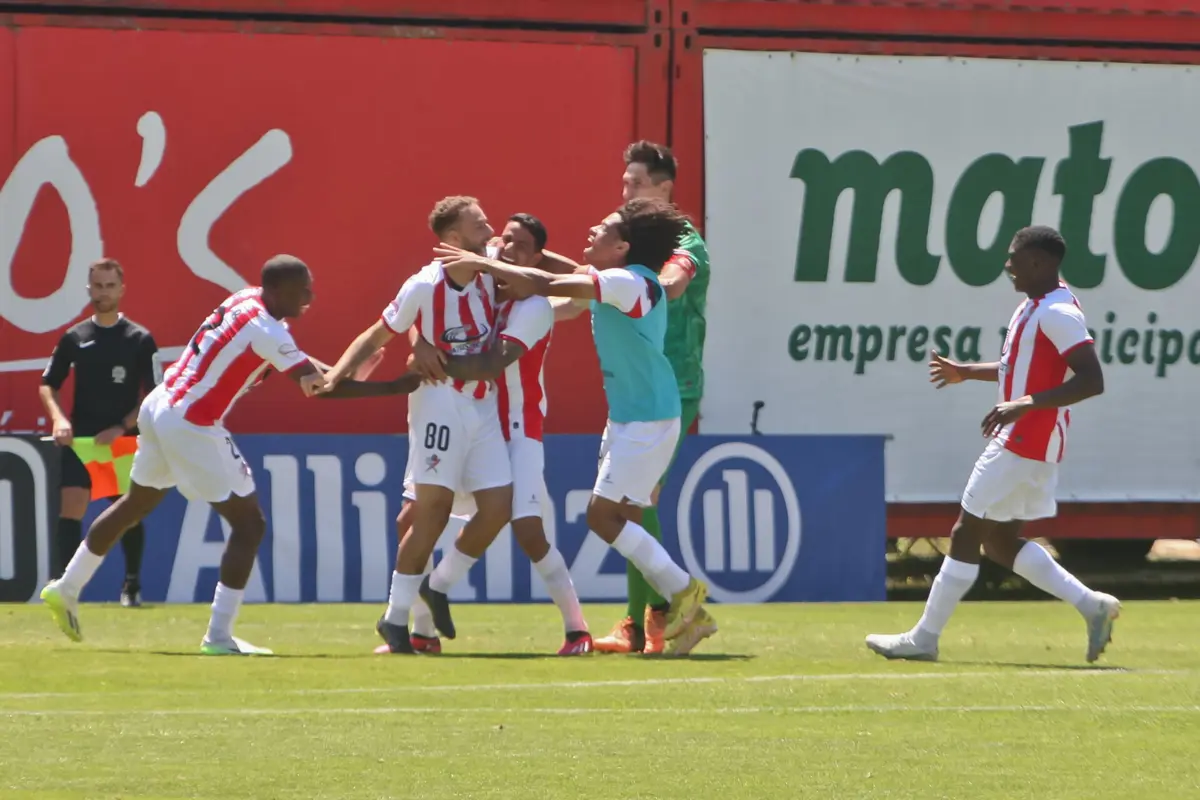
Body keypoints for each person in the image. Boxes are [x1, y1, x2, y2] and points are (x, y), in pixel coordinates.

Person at [40, 255, 422, 655]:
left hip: (159, 407)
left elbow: (287, 361)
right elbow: (313, 385)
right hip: (192, 422)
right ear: (275, 292)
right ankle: (218, 636)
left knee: (135, 504)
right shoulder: (267, 329)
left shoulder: (246, 301)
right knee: (249, 525)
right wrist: (397, 386)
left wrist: (340, 371)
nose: (309, 296)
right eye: (300, 290)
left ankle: (65, 587)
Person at [435, 197, 717, 656]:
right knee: (621, 516)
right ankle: (686, 610)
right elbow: (562, 272)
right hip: (632, 416)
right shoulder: (621, 277)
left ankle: (686, 594)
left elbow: (547, 280)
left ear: (623, 246)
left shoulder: (628, 282)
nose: (591, 229)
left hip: (648, 418)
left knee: (601, 517)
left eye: (602, 229)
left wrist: (475, 260)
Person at [865, 226, 1121, 663]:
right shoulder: (1035, 305)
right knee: (1000, 542)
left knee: (966, 531)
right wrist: (966, 371)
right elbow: (1015, 366)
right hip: (1032, 440)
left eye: (1014, 259)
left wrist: (1024, 403)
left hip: (1025, 438)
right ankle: (1091, 604)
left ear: (1039, 263)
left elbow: (1092, 380)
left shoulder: (1057, 312)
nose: (1008, 266)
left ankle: (924, 638)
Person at [318, 197, 515, 655]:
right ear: (452, 240)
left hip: (482, 404)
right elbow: (378, 332)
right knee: (431, 510)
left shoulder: (489, 264)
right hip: (440, 401)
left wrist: (422, 338)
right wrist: (336, 375)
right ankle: (396, 620)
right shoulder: (425, 285)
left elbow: (533, 263)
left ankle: (439, 585)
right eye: (477, 222)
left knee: (498, 506)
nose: (489, 226)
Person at [391, 213, 591, 656]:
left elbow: (581, 292)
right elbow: (422, 305)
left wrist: (528, 266)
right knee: (415, 518)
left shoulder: (536, 305)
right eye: (504, 240)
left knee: (528, 528)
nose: (505, 249)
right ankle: (420, 630)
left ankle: (576, 629)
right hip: (470, 419)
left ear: (535, 260)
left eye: (520, 245)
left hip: (518, 428)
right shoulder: (482, 291)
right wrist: (418, 342)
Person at [559, 141, 712, 654]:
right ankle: (649, 615)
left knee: (633, 506)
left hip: (672, 388)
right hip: (635, 391)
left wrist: (649, 284)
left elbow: (671, 281)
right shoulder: (626, 252)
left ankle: (658, 615)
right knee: (631, 506)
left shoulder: (681, 241)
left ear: (663, 188)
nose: (625, 192)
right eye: (623, 183)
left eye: (636, 184)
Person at [39, 258, 159, 607]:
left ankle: (131, 586)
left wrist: (122, 426)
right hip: (83, 439)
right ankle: (65, 588)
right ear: (88, 289)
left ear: (121, 290)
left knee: (126, 512)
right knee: (71, 509)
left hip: (120, 440)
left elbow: (155, 394)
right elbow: (48, 384)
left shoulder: (139, 338)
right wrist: (59, 419)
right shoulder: (76, 337)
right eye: (97, 285)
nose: (102, 292)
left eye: (109, 286)